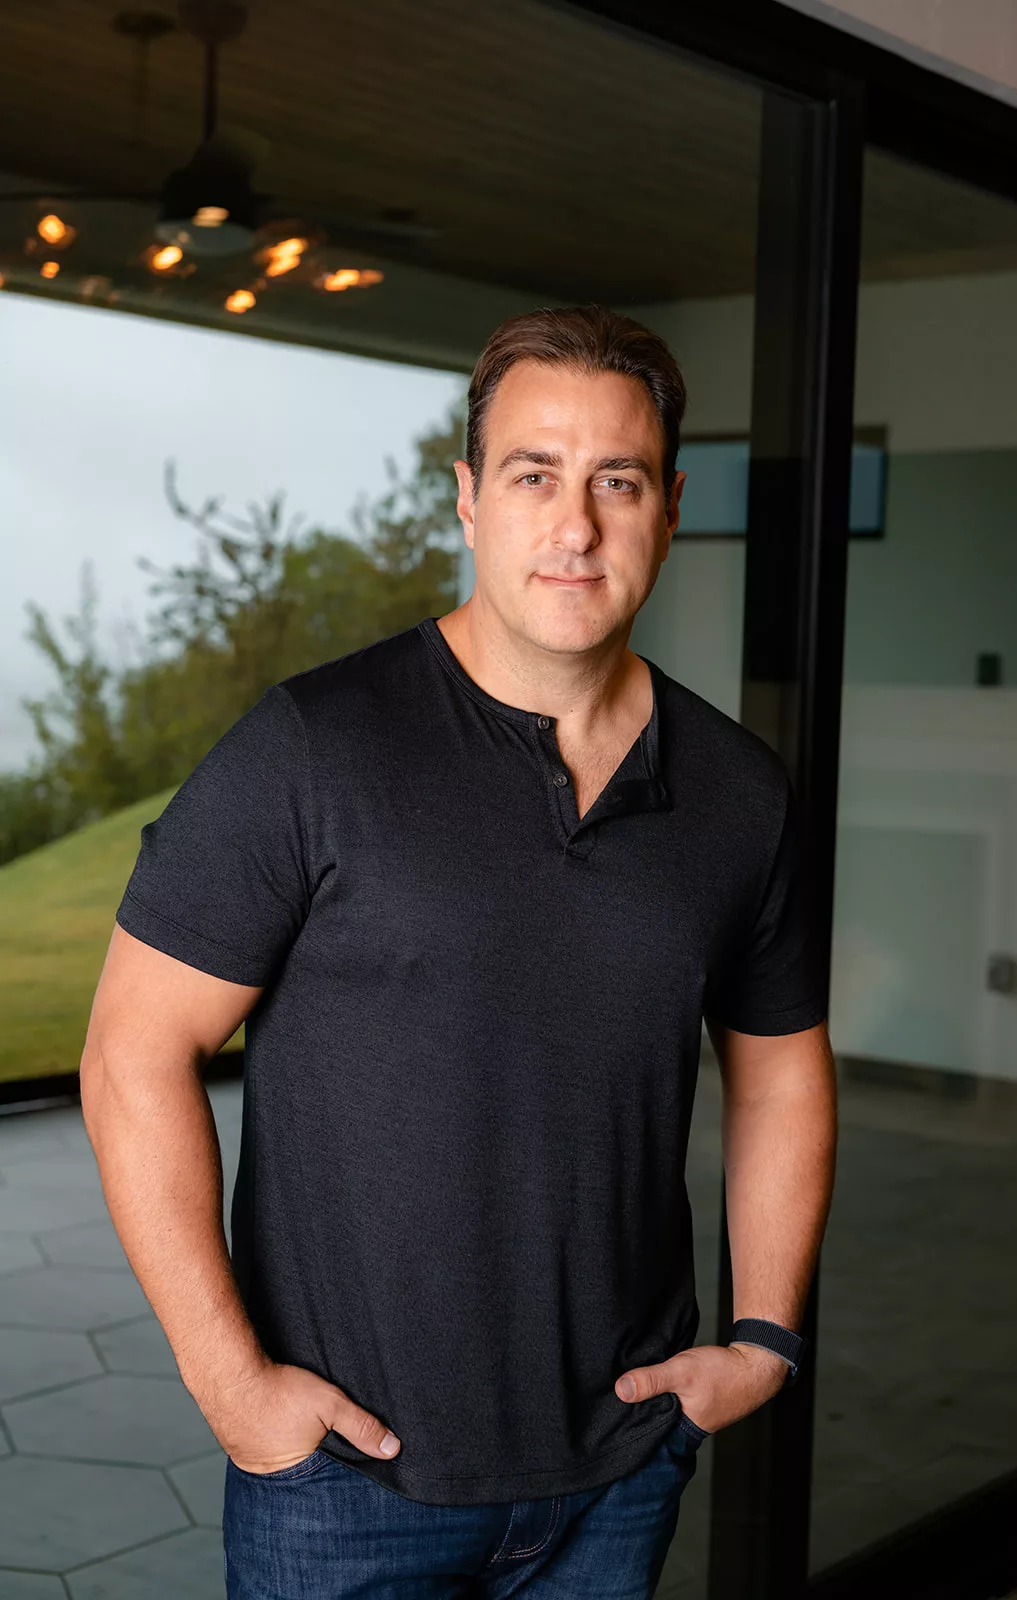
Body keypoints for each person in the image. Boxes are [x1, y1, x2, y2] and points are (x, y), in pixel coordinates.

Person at [80, 303, 837, 1599]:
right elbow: (131, 1053)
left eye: (617, 481)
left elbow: (779, 1073)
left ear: (669, 510)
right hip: (345, 1484)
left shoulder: (740, 792)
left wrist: (763, 1339)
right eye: (534, 475)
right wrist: (233, 1387)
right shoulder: (314, 747)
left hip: (617, 1472)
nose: (575, 525)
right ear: (468, 500)